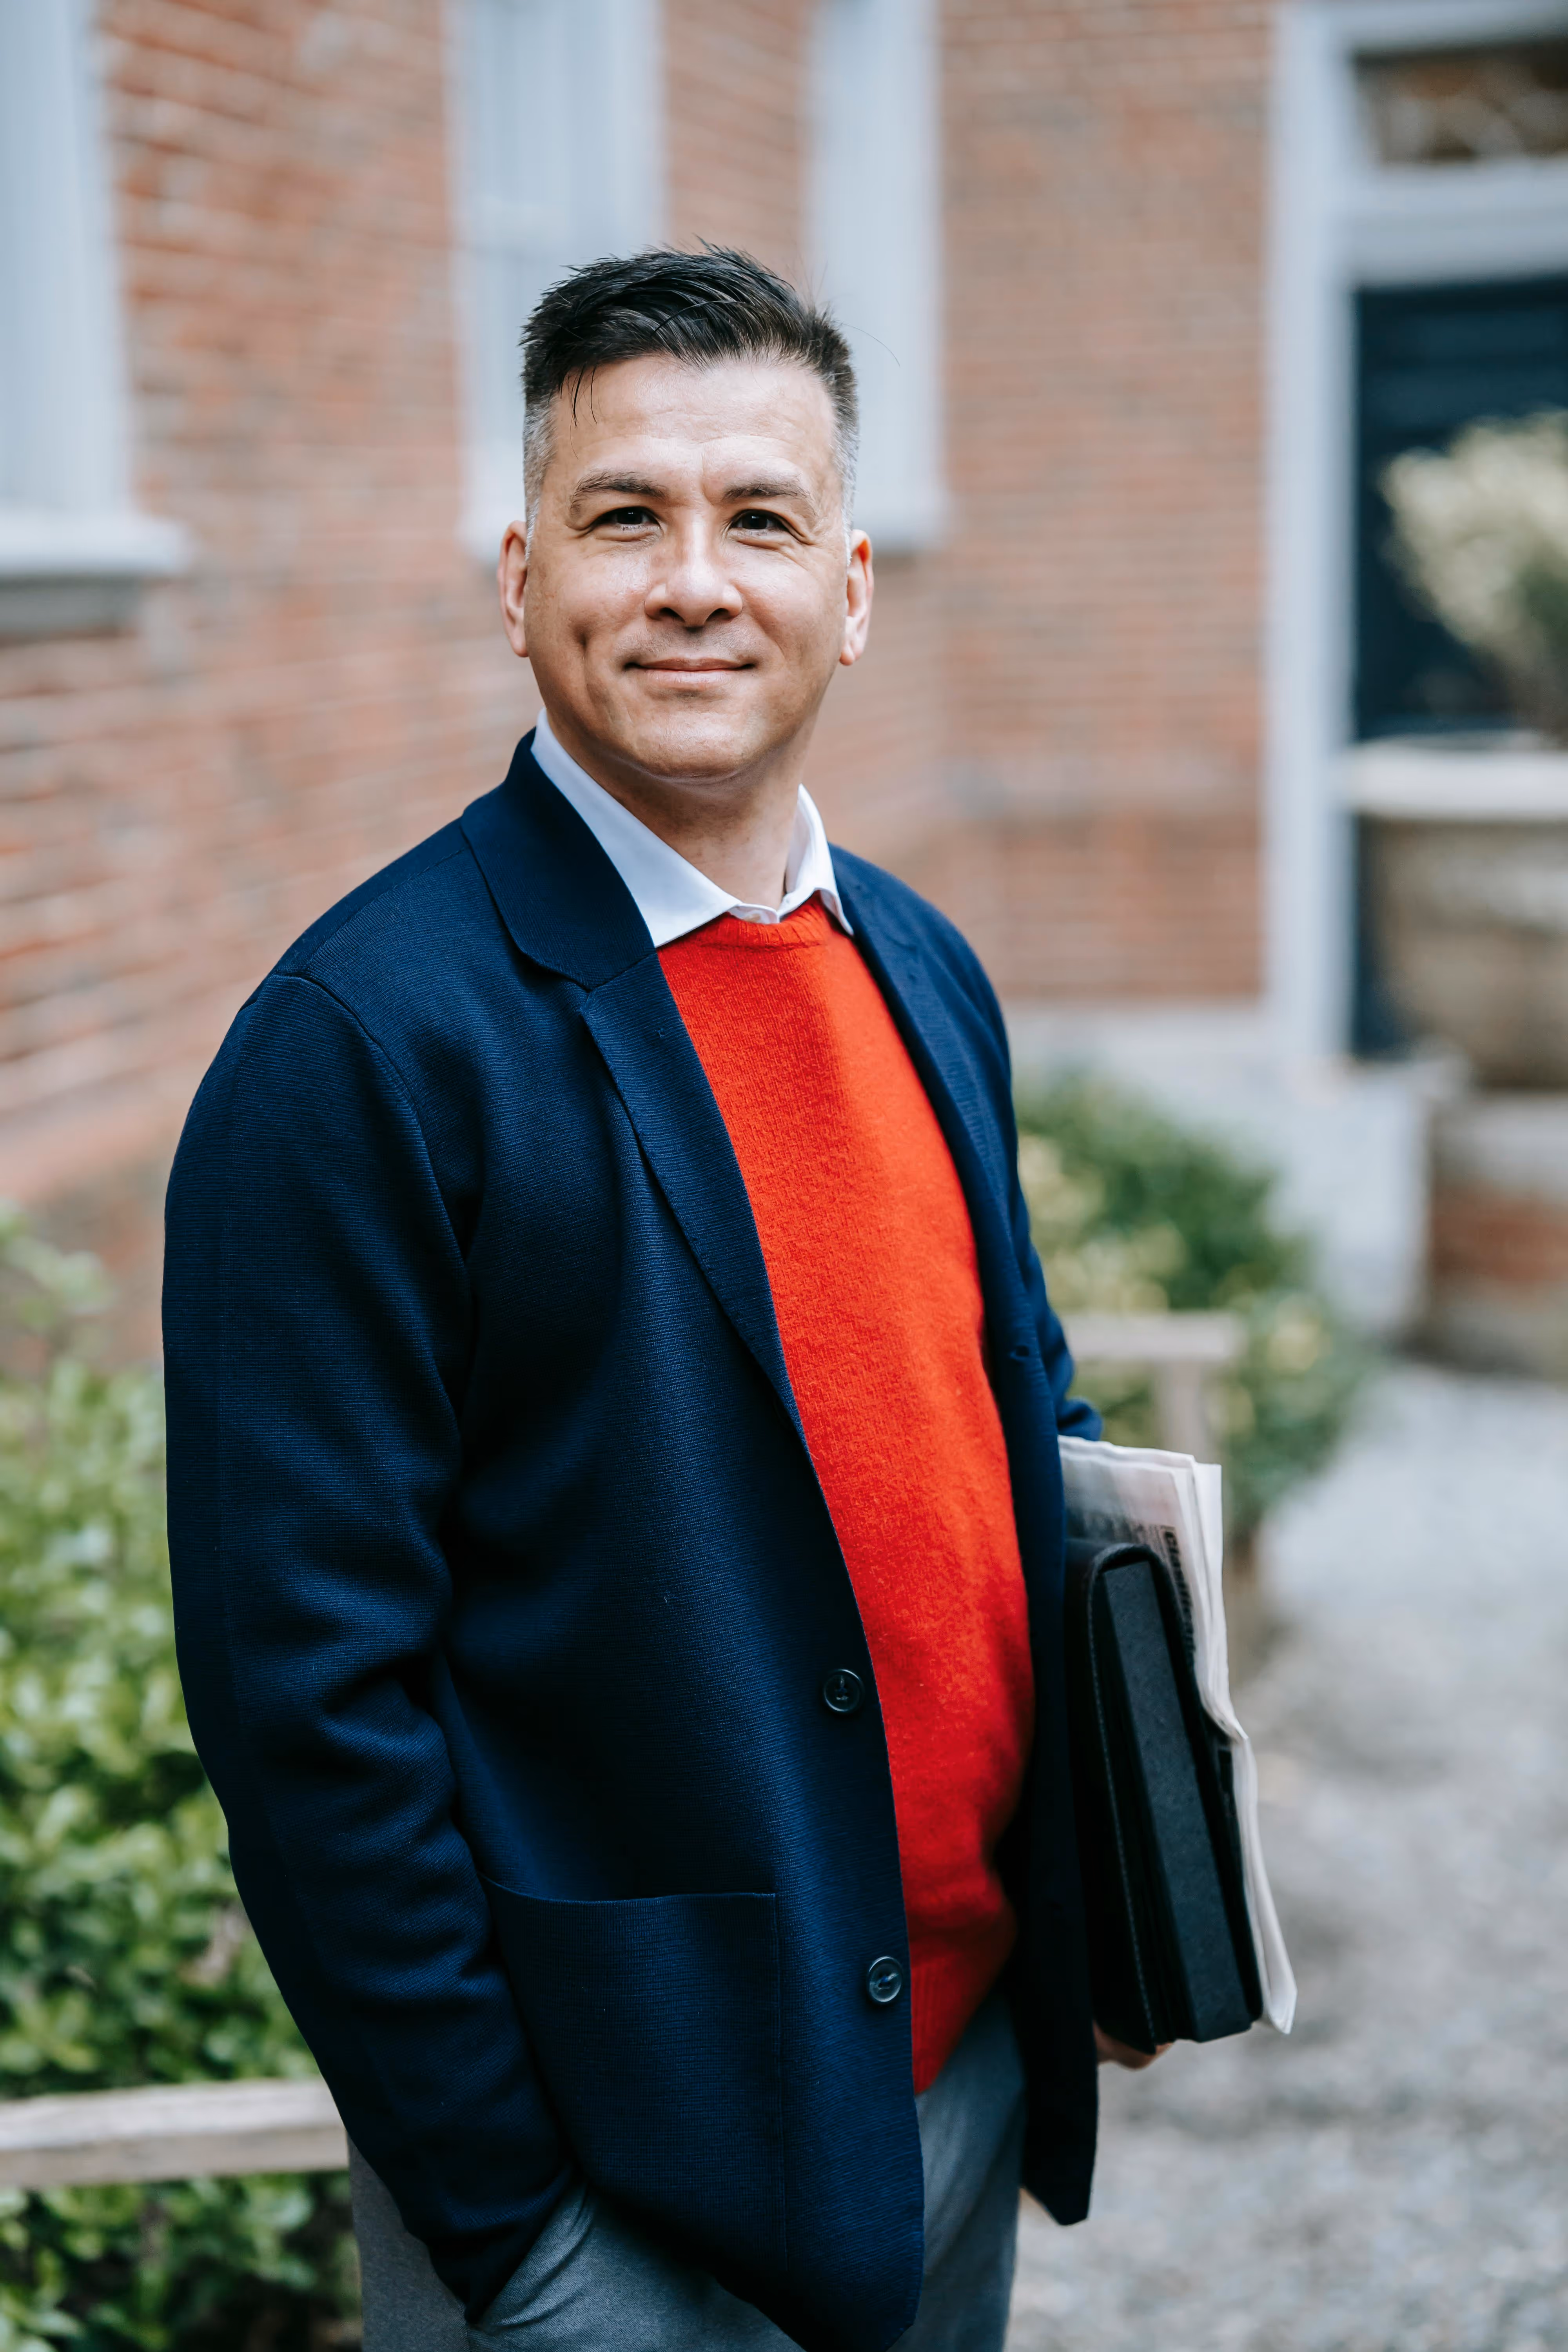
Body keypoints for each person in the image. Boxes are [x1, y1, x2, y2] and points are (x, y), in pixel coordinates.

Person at [164, 247, 1151, 2352]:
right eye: (627, 516)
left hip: (955, 2073)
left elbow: (1025, 1434)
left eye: (760, 519)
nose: (695, 583)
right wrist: (516, 2228)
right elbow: (303, 1692)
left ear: (852, 591)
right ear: (522, 580)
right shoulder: (362, 1041)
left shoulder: (924, 966)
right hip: (620, 2169)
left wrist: (1112, 1895)